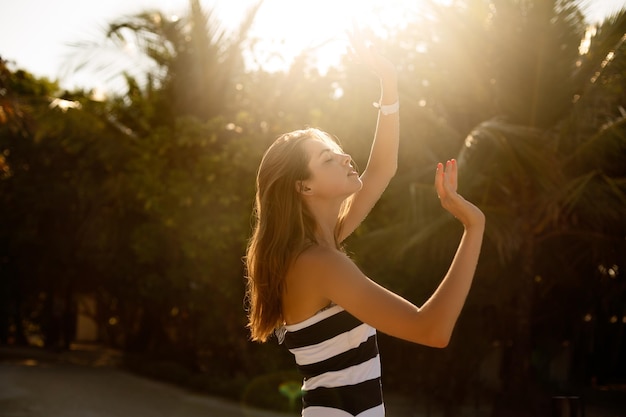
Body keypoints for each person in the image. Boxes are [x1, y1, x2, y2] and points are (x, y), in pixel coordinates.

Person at [244, 31, 486, 417]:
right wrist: (474, 228)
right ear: (303, 186)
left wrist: (388, 84)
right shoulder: (321, 263)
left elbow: (382, 169)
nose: (344, 158)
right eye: (327, 159)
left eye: (339, 152)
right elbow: (432, 330)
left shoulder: (320, 245)